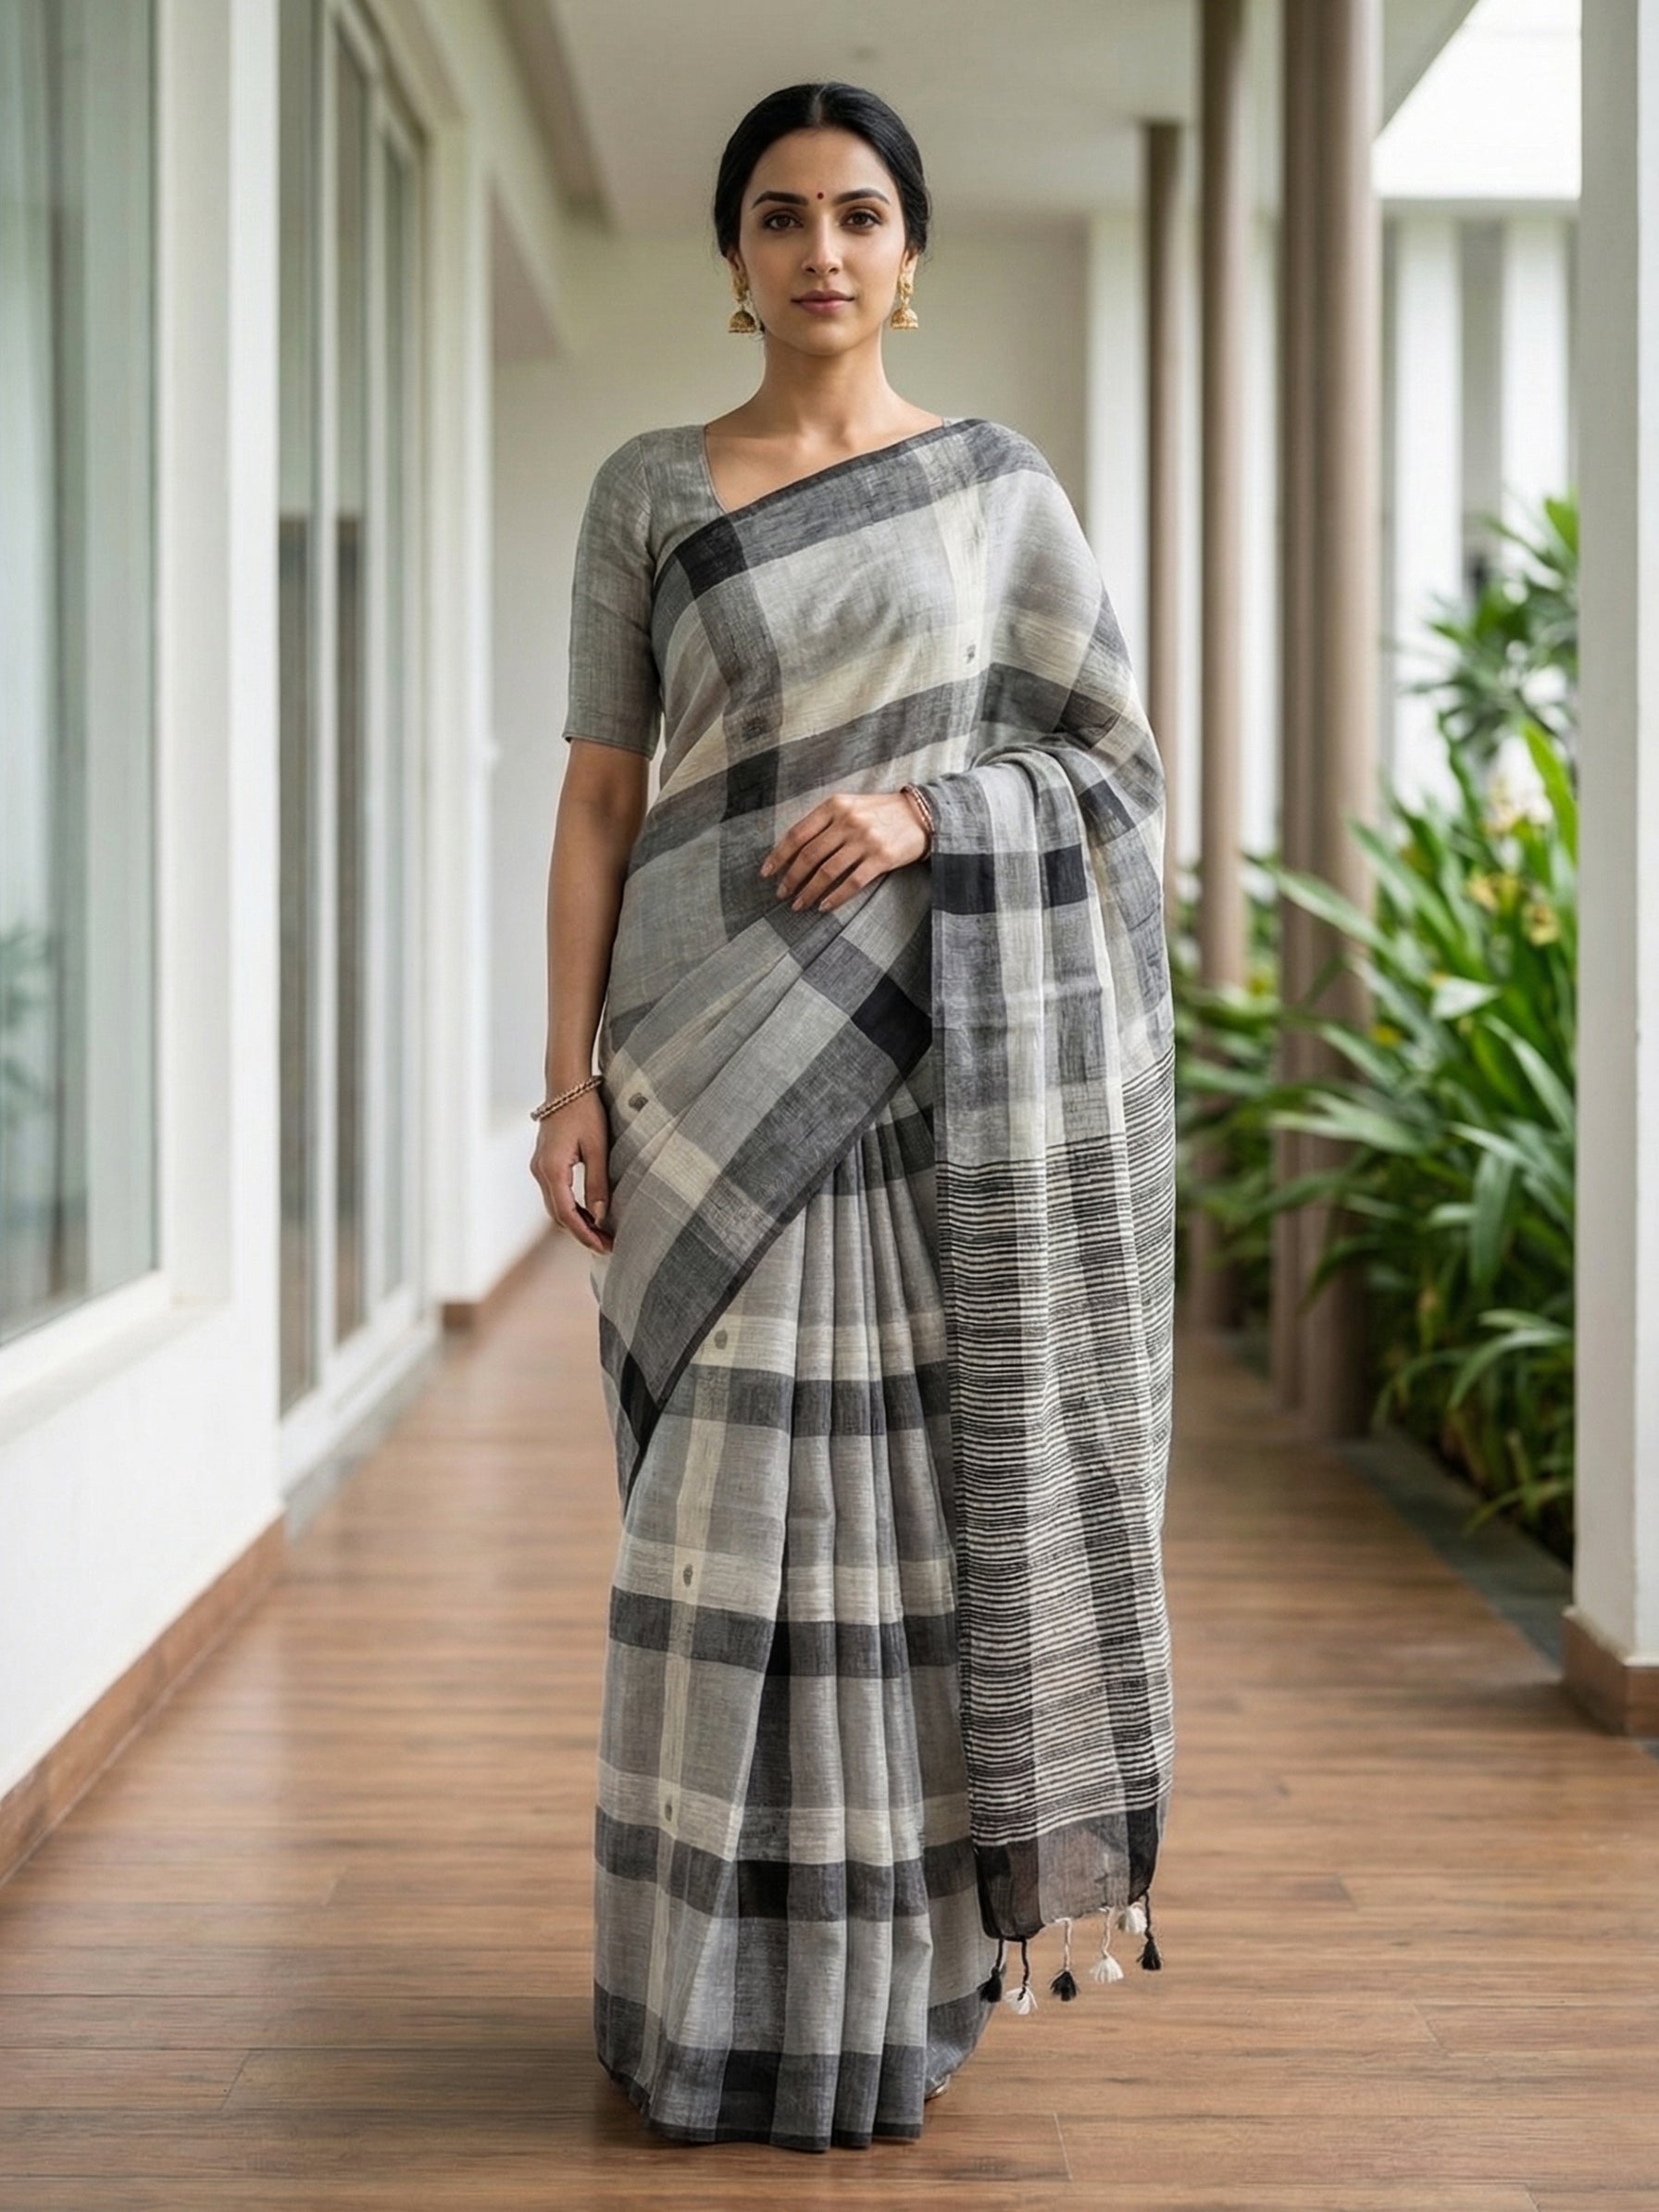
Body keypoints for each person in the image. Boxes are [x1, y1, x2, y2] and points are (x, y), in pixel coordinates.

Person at [532, 80, 1177, 2156]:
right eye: (782, 215)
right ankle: (694, 2001)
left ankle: (875, 2009)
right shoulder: (650, 489)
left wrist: (926, 810)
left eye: (860, 213)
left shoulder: (994, 494)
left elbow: (1114, 768)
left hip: (910, 1086)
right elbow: (602, 801)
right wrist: (563, 1079)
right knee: (708, 1553)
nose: (822, 248)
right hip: (694, 1073)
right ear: (730, 263)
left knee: (892, 1553)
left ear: (913, 254)